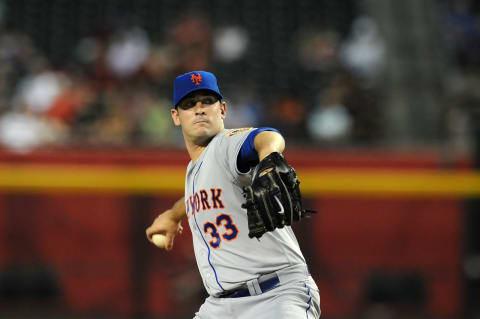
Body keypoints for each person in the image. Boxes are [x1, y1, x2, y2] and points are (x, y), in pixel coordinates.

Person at [146, 70, 320, 318]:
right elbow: (200, 196)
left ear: (223, 110)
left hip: (276, 295)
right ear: (176, 116)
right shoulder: (195, 168)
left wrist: (270, 156)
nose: (199, 109)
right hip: (220, 306)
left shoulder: (226, 145)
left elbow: (266, 136)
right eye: (189, 104)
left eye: (207, 101)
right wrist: (173, 215)